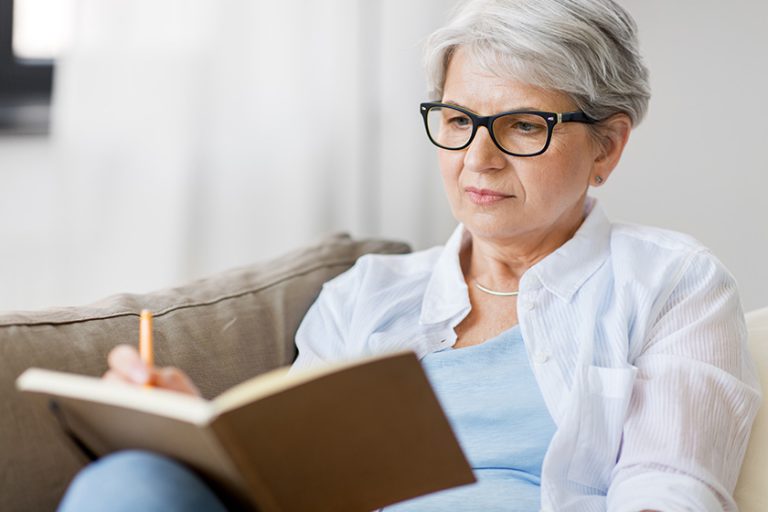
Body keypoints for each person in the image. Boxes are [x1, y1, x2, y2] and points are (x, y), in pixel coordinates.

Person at [57, 0, 761, 511]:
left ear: (605, 147)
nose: (476, 159)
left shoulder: (670, 282)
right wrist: (201, 435)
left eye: (521, 126)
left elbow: (670, 490)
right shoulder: (366, 294)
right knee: (124, 484)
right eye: (457, 121)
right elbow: (296, 483)